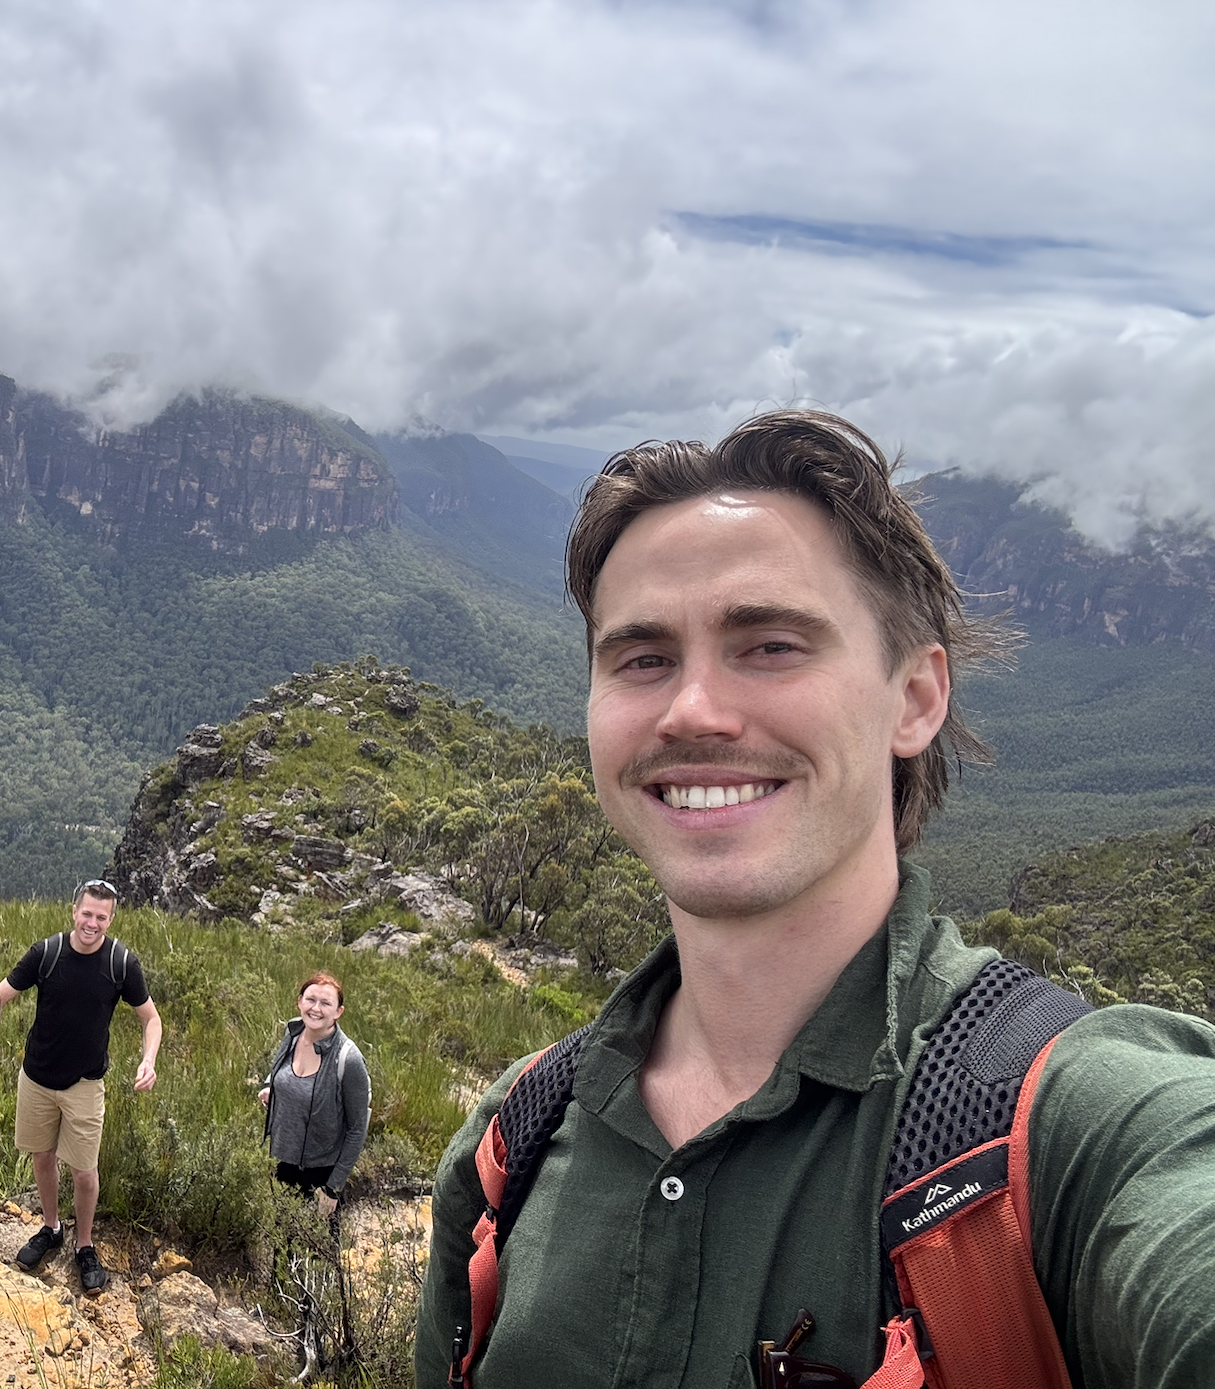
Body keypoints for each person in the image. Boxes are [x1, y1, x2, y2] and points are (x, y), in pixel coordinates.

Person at [416, 411, 1215, 1388]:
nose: (691, 709)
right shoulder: (512, 1148)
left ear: (914, 697)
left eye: (771, 645)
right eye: (641, 657)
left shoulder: (1068, 1135)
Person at [0, 879, 162, 1293]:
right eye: (87, 913)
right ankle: (51, 1227)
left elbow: (150, 1018)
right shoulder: (47, 953)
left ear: (111, 919)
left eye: (101, 917)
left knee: (84, 1171)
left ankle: (84, 1245)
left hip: (85, 1084)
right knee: (42, 1157)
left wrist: (149, 1059)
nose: (92, 923)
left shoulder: (120, 963)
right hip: (37, 1077)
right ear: (73, 911)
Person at [258, 971, 371, 1219]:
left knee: (318, 1250)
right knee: (282, 1246)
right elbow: (277, 1069)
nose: (316, 1009)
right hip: (281, 1162)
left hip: (321, 1174)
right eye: (310, 1000)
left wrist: (333, 1189)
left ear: (339, 1011)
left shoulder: (348, 1059)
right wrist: (270, 1086)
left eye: (326, 1003)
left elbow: (357, 1129)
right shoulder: (293, 1032)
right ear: (299, 1002)